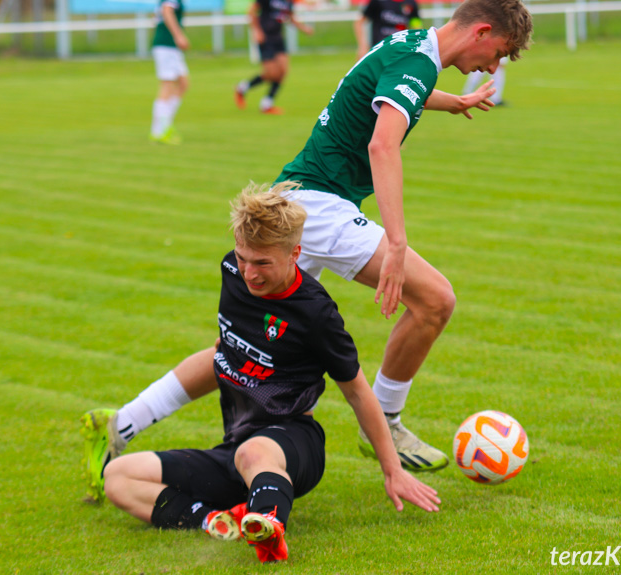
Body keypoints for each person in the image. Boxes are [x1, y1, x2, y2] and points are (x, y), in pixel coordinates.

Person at [82, 0, 533, 485]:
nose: (493, 67)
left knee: (235, 351)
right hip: (322, 209)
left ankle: (120, 423)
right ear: (482, 31)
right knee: (436, 300)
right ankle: (386, 423)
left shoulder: (411, 44)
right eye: (500, 53)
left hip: (297, 199)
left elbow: (393, 92)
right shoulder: (417, 59)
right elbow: (382, 145)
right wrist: (397, 245)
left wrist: (453, 101)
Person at [84, 183, 441, 564]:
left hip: (293, 443)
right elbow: (225, 349)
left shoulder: (316, 314)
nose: (249, 273)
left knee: (254, 452)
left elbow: (357, 392)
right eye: (243, 258)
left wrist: (392, 470)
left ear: (296, 254)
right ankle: (218, 521)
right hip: (234, 448)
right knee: (119, 476)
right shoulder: (231, 272)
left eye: (263, 263)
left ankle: (269, 525)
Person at [234, 0, 313, 114]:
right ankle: (242, 88)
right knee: (271, 73)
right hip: (265, 39)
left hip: (278, 39)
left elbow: (290, 17)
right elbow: (252, 11)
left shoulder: (288, 2)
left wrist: (304, 28)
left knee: (282, 71)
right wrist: (256, 31)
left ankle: (267, 104)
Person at [150, 0, 190, 144]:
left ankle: (163, 126)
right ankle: (161, 130)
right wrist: (178, 35)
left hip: (169, 47)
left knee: (183, 84)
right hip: (166, 45)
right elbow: (167, 11)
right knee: (167, 86)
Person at [354, 0, 422, 58]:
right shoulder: (378, 1)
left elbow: (416, 25)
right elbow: (360, 22)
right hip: (379, 49)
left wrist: (418, 44)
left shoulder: (411, 3)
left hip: (400, 49)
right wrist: (363, 47)